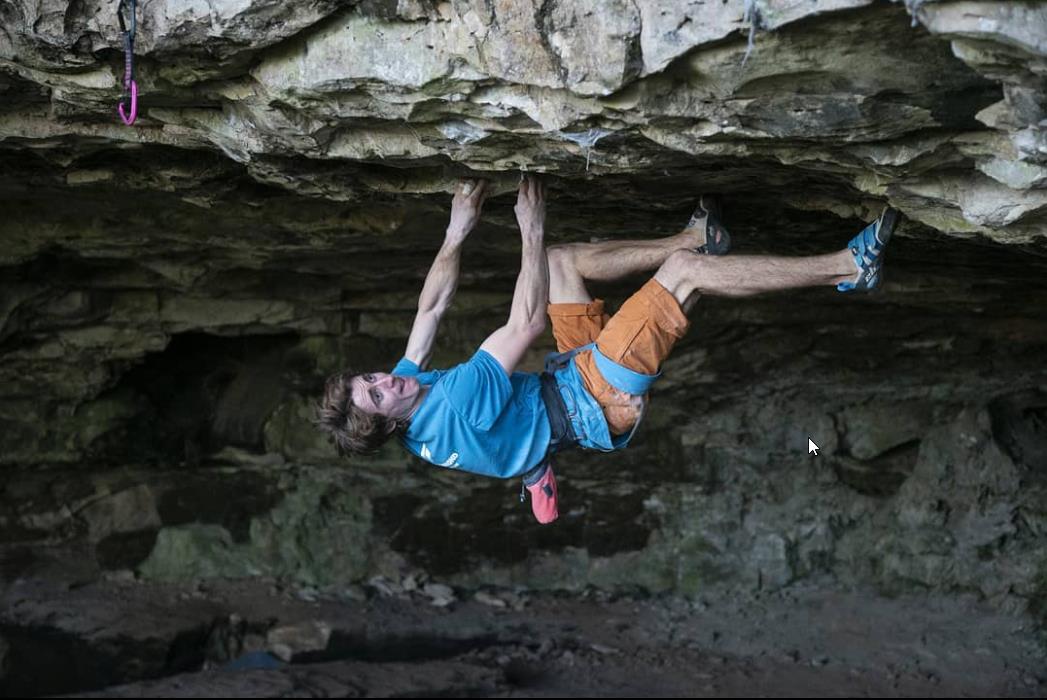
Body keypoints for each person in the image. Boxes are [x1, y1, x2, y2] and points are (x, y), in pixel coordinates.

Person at [317, 176, 899, 523]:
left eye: (371, 378)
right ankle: (847, 267)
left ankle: (697, 235)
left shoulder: (409, 406)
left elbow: (428, 312)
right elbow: (524, 323)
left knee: (559, 265)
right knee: (682, 276)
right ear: (388, 423)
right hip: (597, 395)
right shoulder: (456, 403)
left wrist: (456, 230)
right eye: (377, 395)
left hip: (567, 383)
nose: (385, 380)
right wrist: (531, 224)